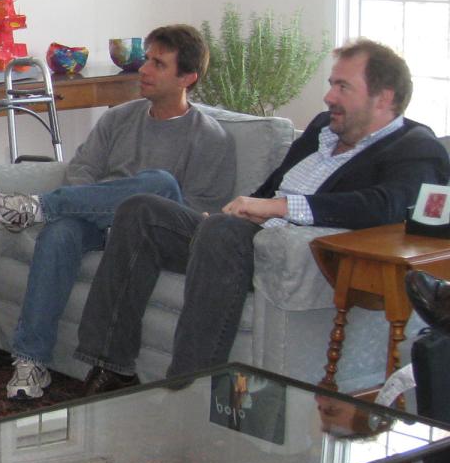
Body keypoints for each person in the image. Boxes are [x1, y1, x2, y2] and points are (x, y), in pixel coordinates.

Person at [74, 39, 450, 395]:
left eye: (343, 87)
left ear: (383, 98)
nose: (329, 96)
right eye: (331, 84)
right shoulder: (322, 128)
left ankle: (187, 388)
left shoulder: (415, 147)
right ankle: (111, 365)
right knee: (141, 209)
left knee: (221, 233)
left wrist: (279, 209)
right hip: (243, 232)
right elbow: (272, 187)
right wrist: (240, 208)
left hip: (283, 250)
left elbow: (385, 204)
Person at [0, 24, 235, 400]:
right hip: (100, 224)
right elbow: (82, 170)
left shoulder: (209, 137)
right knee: (60, 233)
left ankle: (37, 207)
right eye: (146, 59)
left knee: (159, 183)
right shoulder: (120, 118)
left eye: (158, 64)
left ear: (188, 77)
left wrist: (130, 209)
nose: (144, 70)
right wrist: (105, 207)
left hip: (155, 234)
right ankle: (31, 360)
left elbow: (202, 212)